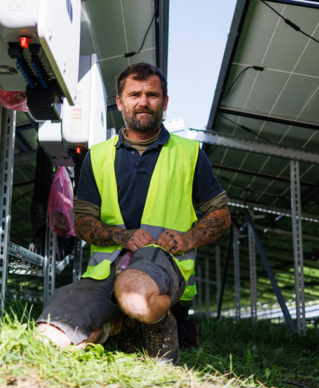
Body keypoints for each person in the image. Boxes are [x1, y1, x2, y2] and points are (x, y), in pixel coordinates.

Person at [36, 62, 231, 365]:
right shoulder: (97, 156)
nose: (143, 102)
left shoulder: (191, 154)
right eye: (134, 94)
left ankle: (160, 321)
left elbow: (220, 214)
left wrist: (187, 238)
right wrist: (120, 235)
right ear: (120, 102)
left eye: (152, 95)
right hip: (106, 269)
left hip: (162, 265)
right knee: (49, 336)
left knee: (133, 293)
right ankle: (119, 326)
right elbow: (83, 221)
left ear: (164, 103)